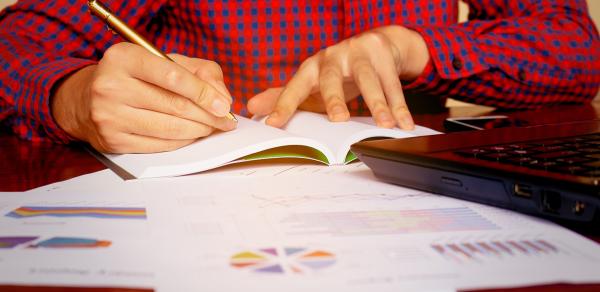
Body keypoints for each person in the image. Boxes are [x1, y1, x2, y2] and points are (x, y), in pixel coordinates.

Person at [0, 0, 598, 153]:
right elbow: (15, 43)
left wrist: (412, 48)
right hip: (205, 209)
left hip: (416, 205)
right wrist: (71, 97)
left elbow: (576, 48)